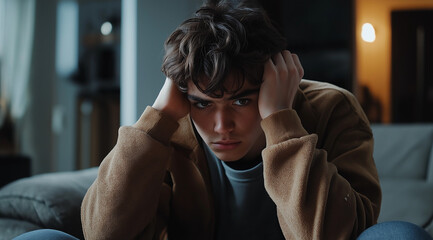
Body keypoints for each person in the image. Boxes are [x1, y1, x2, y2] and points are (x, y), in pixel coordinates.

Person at [81, 2, 382, 240]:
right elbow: (102, 234)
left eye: (241, 101)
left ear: (271, 83)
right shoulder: (174, 123)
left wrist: (281, 121)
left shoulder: (332, 108)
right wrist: (158, 118)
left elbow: (336, 235)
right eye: (203, 104)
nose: (221, 125)